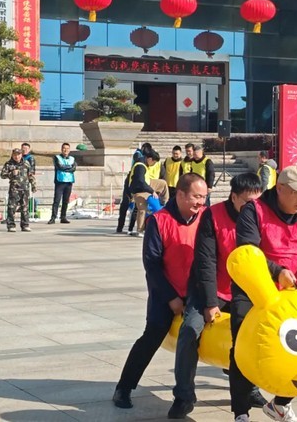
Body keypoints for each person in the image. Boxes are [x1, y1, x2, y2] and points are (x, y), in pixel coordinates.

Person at [169, 173, 266, 419]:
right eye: (247, 203)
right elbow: (206, 262)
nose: (252, 208)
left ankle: (251, 389)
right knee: (190, 330)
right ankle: (183, 396)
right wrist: (211, 303)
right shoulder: (213, 216)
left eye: (256, 203)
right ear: (233, 197)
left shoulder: (261, 216)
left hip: (244, 290)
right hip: (210, 288)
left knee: (257, 334)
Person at [231, 165, 297, 422]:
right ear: (280, 188)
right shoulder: (254, 210)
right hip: (252, 290)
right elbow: (248, 251)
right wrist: (277, 271)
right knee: (243, 347)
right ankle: (241, 412)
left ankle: (281, 403)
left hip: (290, 293)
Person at [112, 173, 208, 410]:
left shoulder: (207, 217)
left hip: (197, 292)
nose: (201, 202)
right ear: (181, 195)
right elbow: (152, 265)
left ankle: (248, 390)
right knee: (153, 335)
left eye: (204, 197)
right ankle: (124, 387)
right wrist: (171, 298)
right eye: (196, 196)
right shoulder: (159, 220)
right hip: (165, 291)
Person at [128, 151, 169, 237]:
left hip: (147, 184)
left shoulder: (143, 163)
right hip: (139, 190)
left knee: (163, 183)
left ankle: (165, 203)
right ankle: (139, 230)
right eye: (154, 162)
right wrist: (152, 191)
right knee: (142, 210)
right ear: (150, 159)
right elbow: (141, 182)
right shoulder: (140, 166)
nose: (153, 165)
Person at [1, 148, 37, 232]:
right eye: (15, 155)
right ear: (12, 155)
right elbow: (2, 175)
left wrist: (33, 185)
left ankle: (25, 225)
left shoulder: (26, 163)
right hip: (14, 189)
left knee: (25, 208)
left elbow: (30, 175)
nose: (17, 157)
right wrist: (11, 174)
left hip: (25, 189)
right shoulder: (8, 164)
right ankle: (11, 225)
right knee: (11, 208)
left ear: (21, 155)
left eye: (18, 155)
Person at [48, 143, 76, 224]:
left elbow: (73, 168)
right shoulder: (57, 157)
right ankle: (53, 217)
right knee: (56, 200)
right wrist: (69, 167)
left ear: (69, 150)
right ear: (61, 149)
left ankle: (63, 217)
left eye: (67, 148)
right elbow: (59, 167)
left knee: (65, 201)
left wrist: (66, 168)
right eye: (64, 148)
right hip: (60, 182)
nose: (65, 150)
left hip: (69, 182)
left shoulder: (72, 158)